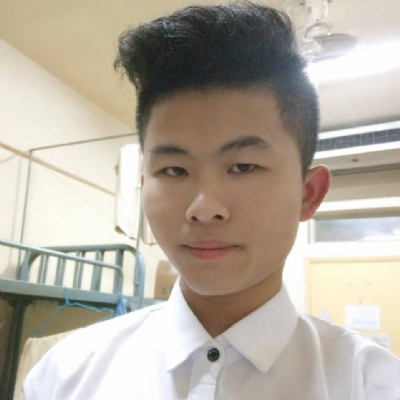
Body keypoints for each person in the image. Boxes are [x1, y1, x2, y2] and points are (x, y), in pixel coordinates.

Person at [23, 2, 400, 399]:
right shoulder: (64, 375)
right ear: (143, 185)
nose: (203, 209)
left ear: (308, 194)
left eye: (243, 166)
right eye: (174, 170)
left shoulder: (373, 383)